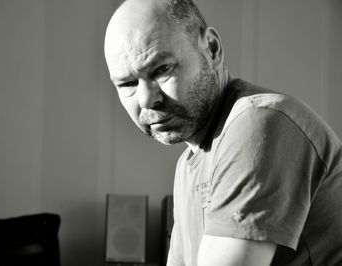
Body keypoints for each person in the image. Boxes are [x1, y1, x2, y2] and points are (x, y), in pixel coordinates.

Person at [104, 0, 342, 265]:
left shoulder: (259, 121)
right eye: (127, 83)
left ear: (212, 49)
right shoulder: (188, 165)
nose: (146, 99)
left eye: (162, 69)